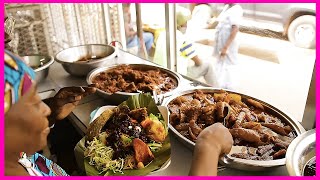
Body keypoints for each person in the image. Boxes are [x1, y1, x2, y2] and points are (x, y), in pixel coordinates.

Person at [4, 13, 96, 176]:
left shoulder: (16, 157)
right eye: (32, 102)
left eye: (5, 22)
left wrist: (52, 112)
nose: (6, 35)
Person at [153, 5, 218, 87]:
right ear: (181, 24)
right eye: (185, 23)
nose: (186, 25)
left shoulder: (162, 33)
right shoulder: (182, 39)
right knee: (208, 66)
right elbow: (198, 62)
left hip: (159, 72)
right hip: (176, 75)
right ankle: (218, 90)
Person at [214, 3, 243, 90]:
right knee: (221, 65)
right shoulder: (227, 7)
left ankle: (230, 89)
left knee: (229, 66)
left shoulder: (236, 9)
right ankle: (220, 87)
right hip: (222, 44)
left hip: (229, 45)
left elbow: (235, 29)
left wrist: (226, 47)